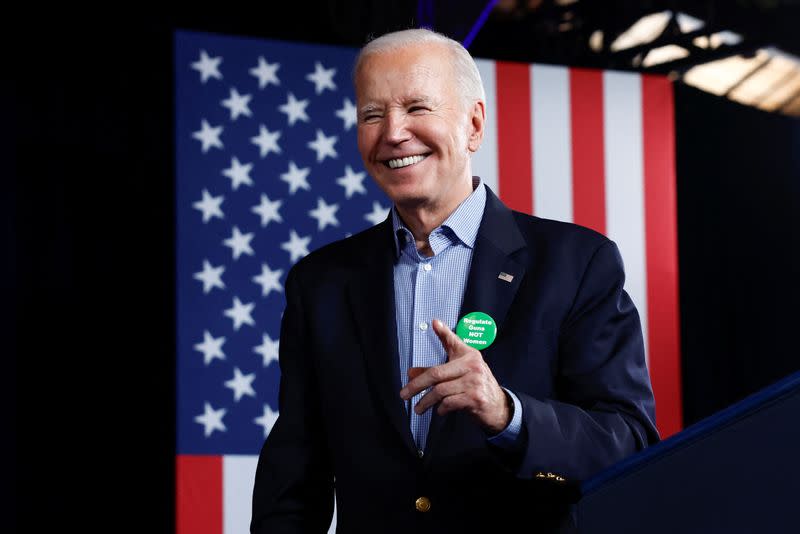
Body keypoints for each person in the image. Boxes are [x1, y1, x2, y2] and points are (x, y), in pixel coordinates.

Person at [251, 28, 658, 533]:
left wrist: (508, 414)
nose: (393, 132)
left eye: (417, 108)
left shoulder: (578, 263)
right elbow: (294, 473)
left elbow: (629, 440)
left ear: (473, 124)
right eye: (372, 114)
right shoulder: (320, 283)